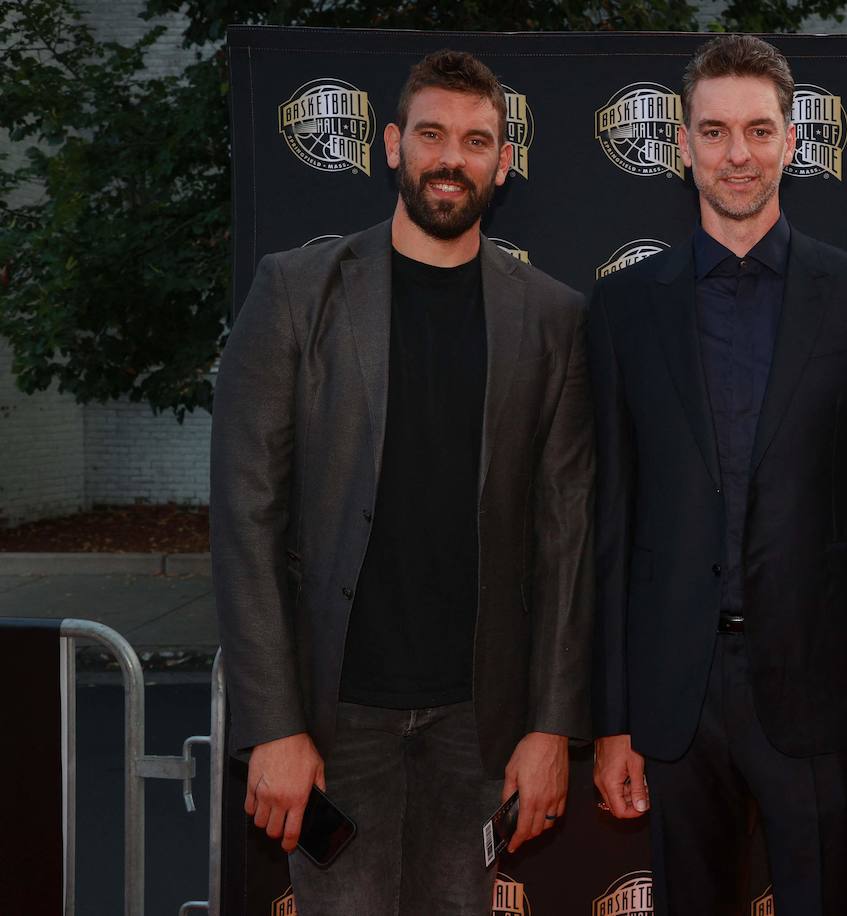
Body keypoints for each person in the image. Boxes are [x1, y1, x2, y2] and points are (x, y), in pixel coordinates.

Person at [211, 49, 593, 915]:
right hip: (334, 718)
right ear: (392, 145)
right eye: (431, 135)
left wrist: (550, 727)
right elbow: (245, 519)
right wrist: (273, 724)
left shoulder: (553, 318)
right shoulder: (296, 293)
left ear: (504, 161)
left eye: (476, 140)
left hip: (478, 724)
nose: (451, 158)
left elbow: (567, 536)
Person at [588, 34, 847, 916]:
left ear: (792, 141)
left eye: (759, 130)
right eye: (716, 131)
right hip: (676, 695)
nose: (739, 154)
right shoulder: (622, 308)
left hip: (822, 691)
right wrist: (612, 719)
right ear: (682, 145)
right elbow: (610, 525)